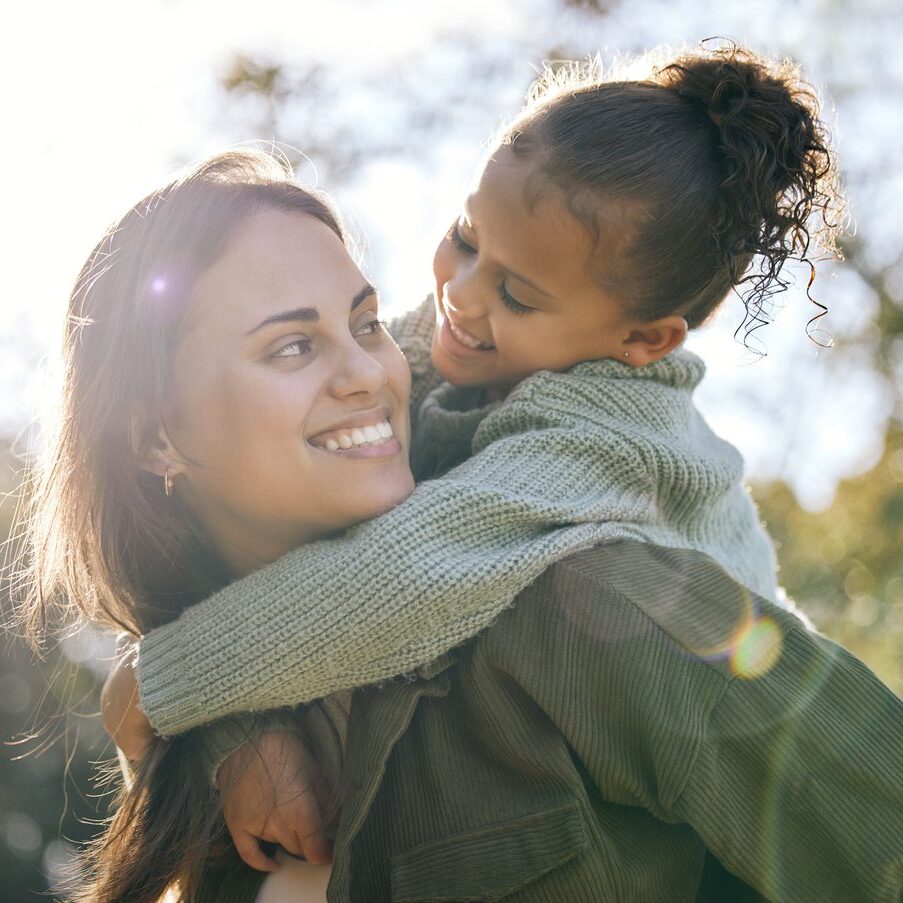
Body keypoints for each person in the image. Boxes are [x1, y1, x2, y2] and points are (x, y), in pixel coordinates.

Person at [101, 43, 901, 901]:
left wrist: (165, 681)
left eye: (517, 293)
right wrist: (239, 727)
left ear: (642, 340)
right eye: (464, 237)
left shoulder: (602, 443)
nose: (461, 294)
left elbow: (406, 574)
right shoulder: (475, 348)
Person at [17, 148, 414, 901]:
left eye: (366, 323)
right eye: (292, 345)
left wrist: (177, 684)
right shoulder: (166, 730)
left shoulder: (546, 612)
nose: (368, 372)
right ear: (156, 439)